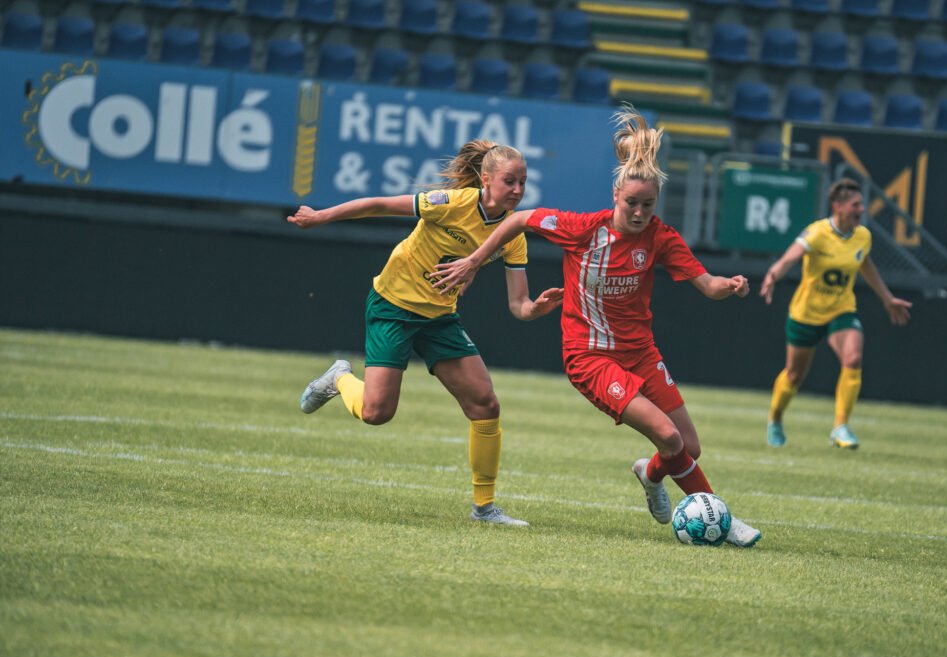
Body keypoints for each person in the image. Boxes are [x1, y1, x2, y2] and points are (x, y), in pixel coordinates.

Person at [430, 108, 762, 547]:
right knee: (666, 435)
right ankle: (722, 517)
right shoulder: (584, 229)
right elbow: (518, 220)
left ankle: (649, 474)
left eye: (648, 205)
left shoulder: (661, 237)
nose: (640, 212)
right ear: (615, 195)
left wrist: (730, 285)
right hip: (590, 357)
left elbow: (707, 284)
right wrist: (475, 260)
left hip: (640, 352)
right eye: (632, 204)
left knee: (687, 447)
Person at [287, 141, 564, 526]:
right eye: (509, 181)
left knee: (485, 405)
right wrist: (320, 217)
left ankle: (484, 509)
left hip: (439, 318)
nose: (518, 190)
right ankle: (339, 378)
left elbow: (518, 305)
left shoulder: (512, 233)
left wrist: (536, 309)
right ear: (486, 180)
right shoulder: (450, 202)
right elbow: (379, 205)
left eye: (523, 182)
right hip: (394, 307)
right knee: (376, 413)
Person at [759, 178, 912, 449]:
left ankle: (840, 427)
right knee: (794, 375)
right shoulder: (817, 233)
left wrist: (887, 298)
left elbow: (865, 265)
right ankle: (775, 420)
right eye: (855, 205)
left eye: (862, 204)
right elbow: (790, 258)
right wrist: (773, 275)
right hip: (806, 313)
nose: (861, 209)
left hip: (841, 310)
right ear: (838, 206)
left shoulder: (863, 236)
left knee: (853, 358)